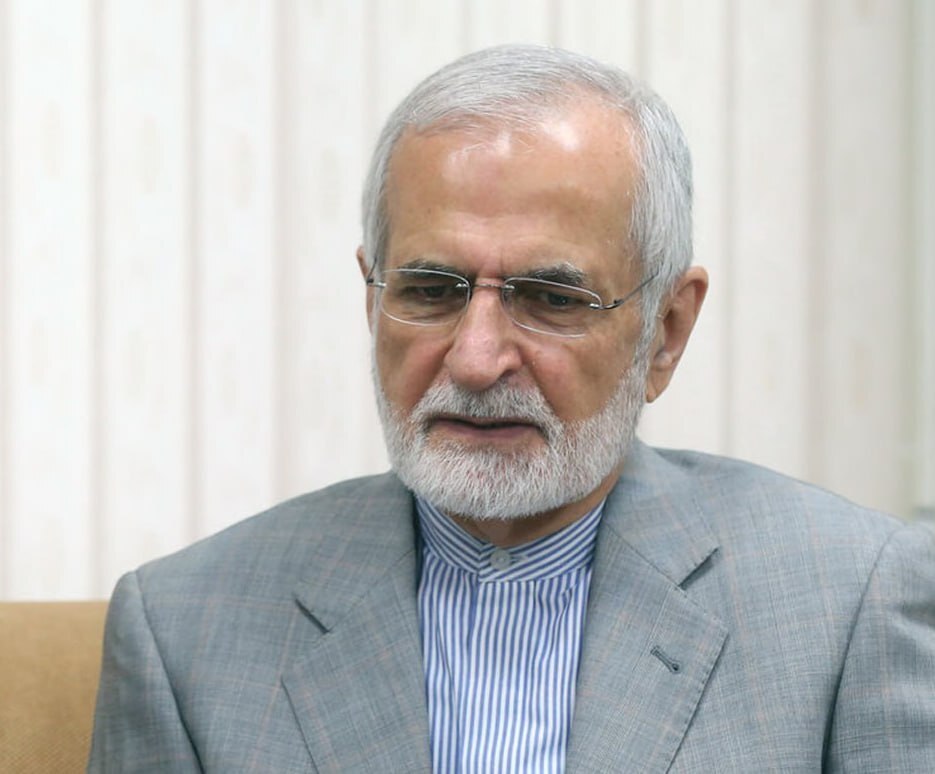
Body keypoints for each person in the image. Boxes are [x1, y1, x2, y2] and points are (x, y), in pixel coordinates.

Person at [89, 44, 935, 772]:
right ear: (371, 298)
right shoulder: (184, 633)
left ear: (665, 332)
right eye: (429, 290)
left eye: (550, 298)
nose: (475, 358)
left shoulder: (848, 602)